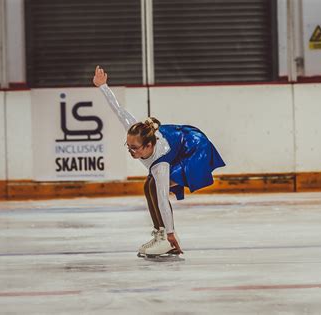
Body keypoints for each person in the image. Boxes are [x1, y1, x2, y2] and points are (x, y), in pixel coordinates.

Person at [93, 66, 225, 257]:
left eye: (135, 148)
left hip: (195, 149)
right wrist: (103, 86)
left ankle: (165, 239)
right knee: (148, 186)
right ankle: (159, 234)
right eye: (128, 146)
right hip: (180, 144)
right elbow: (118, 109)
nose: (131, 150)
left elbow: (163, 199)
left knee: (156, 185)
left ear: (148, 145)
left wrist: (171, 234)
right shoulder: (136, 131)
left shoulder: (160, 163)